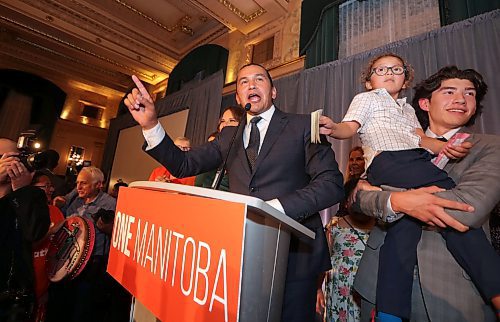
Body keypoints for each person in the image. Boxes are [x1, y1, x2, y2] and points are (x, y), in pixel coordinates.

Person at [124, 63, 345, 322]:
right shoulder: (228, 136)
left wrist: (274, 209)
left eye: (259, 79)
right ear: (239, 98)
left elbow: (331, 184)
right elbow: (183, 164)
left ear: (273, 91)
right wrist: (151, 125)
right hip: (243, 254)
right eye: (243, 82)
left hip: (295, 255)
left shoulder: (303, 126)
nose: (251, 85)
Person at [319, 55, 500, 321]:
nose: (461, 99)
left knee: (416, 222)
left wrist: (392, 198)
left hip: (454, 297)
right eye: (450, 91)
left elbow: (466, 210)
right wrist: (396, 201)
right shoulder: (371, 106)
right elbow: (357, 200)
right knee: (413, 221)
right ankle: (390, 310)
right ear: (426, 102)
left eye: (469, 94)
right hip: (377, 288)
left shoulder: (489, 147)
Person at [46, 166, 121, 322]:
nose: (78, 187)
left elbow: (119, 235)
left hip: (92, 266)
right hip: (65, 261)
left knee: (81, 309)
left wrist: (108, 229)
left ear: (99, 184)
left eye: (84, 183)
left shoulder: (110, 204)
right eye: (77, 182)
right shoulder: (72, 200)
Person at [0, 138, 50, 321]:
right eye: (6, 158)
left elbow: (35, 232)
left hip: (13, 300)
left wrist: (21, 189)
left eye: (18, 158)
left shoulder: (31, 195)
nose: (13, 164)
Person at [318, 178, 375, 322]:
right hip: (340, 291)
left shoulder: (380, 227)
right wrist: (318, 289)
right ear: (346, 202)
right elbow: (323, 260)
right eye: (355, 199)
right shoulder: (335, 225)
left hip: (368, 291)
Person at [31, 172, 65, 322]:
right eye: (46, 186)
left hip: (44, 287)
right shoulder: (21, 213)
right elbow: (24, 246)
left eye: (51, 186)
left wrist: (47, 287)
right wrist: (50, 231)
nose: (51, 189)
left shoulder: (55, 211)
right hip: (20, 288)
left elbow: (58, 250)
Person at [195, 106, 245, 190]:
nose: (225, 125)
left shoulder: (247, 155)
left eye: (232, 120)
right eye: (222, 121)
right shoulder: (216, 154)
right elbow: (200, 185)